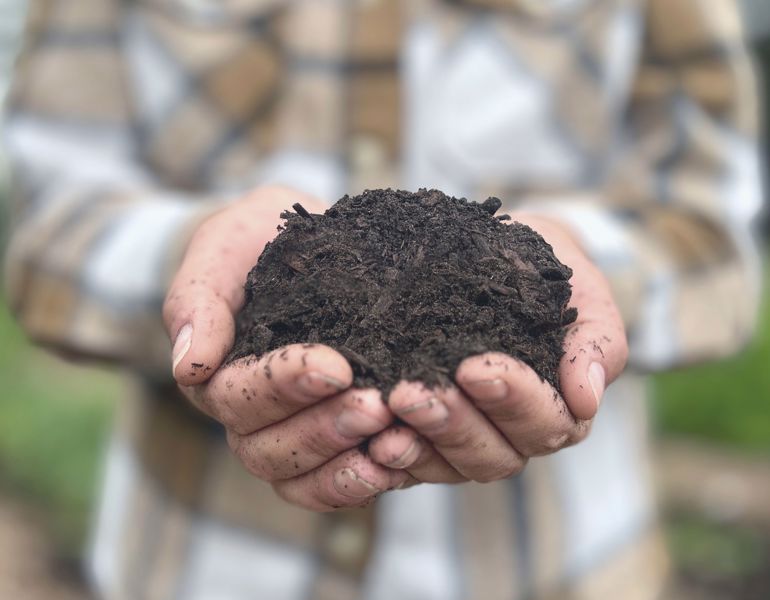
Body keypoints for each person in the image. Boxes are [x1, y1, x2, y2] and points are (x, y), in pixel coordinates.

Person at [2, 0, 762, 598]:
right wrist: (192, 273)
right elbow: (49, 219)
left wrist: (584, 274)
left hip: (563, 568)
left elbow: (709, 227)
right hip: (200, 568)